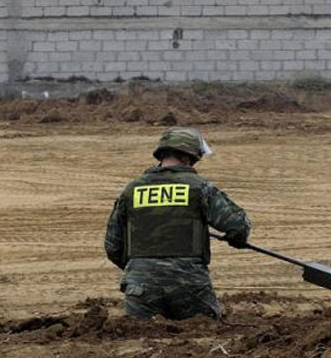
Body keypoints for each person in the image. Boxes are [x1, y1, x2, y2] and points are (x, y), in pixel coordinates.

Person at [104, 126, 252, 320]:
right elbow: (238, 225)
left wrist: (143, 269)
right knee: (204, 332)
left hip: (141, 288)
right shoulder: (198, 187)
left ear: (161, 154)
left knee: (140, 335)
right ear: (188, 157)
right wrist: (236, 238)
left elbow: (113, 246)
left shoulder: (131, 190)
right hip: (189, 285)